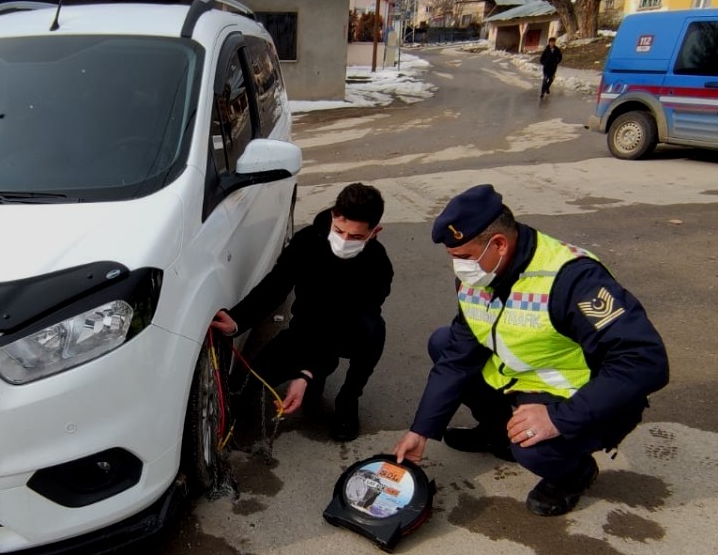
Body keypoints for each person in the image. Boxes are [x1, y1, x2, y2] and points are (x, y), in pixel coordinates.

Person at [392, 184, 668, 516]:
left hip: (579, 395)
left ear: (498, 244)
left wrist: (558, 419)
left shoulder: (574, 279)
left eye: (463, 257)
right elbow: (458, 357)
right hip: (522, 378)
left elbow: (644, 360)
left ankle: (574, 473)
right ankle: (496, 433)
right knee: (442, 341)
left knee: (534, 449)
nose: (458, 268)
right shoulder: (478, 275)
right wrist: (421, 430)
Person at [210, 183, 392, 442]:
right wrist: (238, 319)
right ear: (332, 217)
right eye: (339, 231)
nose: (344, 241)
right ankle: (313, 378)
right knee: (248, 387)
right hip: (304, 330)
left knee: (373, 331)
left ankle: (348, 399)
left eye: (355, 237)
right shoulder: (307, 241)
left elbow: (341, 322)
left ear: (374, 232)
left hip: (346, 332)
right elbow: (276, 285)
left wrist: (307, 371)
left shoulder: (378, 266)